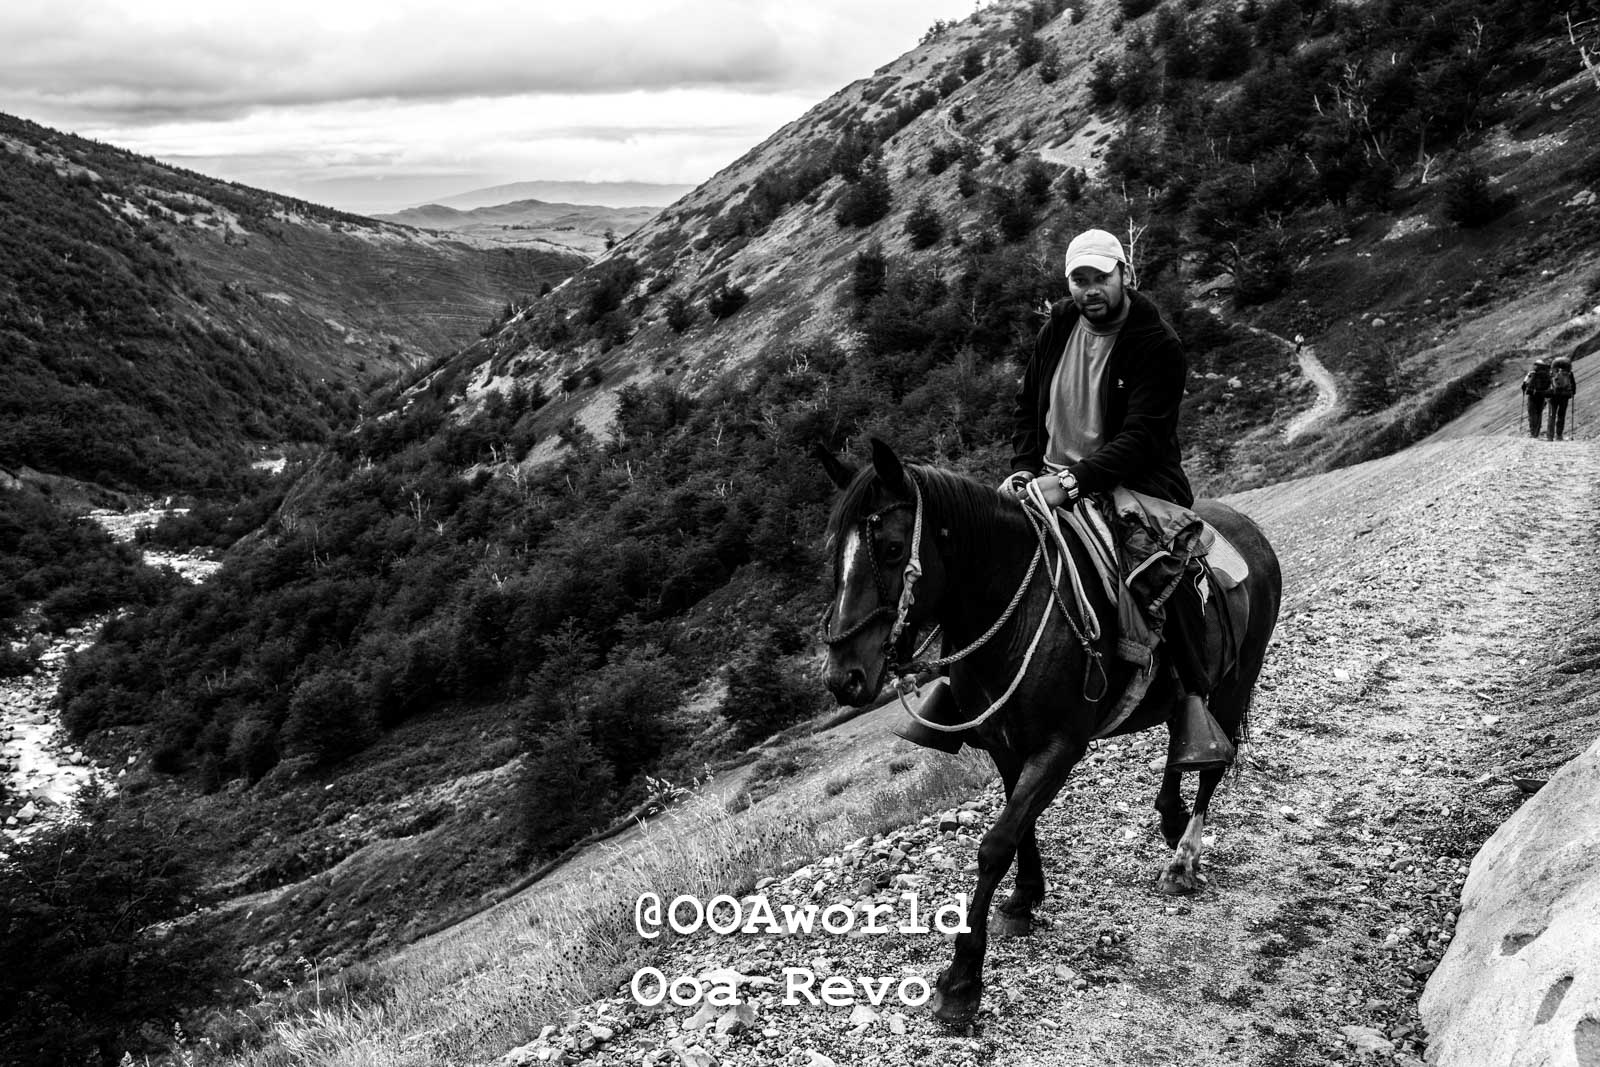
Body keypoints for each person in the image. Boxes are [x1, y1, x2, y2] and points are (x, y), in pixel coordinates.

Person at [1000, 228, 1219, 769]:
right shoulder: (1058, 327)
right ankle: (959, 685)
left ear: (1125, 273)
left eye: (1101, 277)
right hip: (1048, 478)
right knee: (981, 555)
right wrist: (1026, 471)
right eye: (1080, 280)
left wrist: (1075, 483)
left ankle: (1192, 696)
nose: (1090, 290)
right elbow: (1027, 408)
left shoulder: (1156, 343)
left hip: (1134, 481)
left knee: (1163, 572)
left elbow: (1142, 436)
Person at [1546, 355, 1576, 441]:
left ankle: (1550, 436)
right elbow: (1573, 385)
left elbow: (1548, 383)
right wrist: (1572, 393)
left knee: (1551, 415)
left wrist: (1547, 393)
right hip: (1564, 396)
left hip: (1553, 396)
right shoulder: (1569, 373)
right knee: (1561, 415)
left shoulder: (1552, 372)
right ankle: (1559, 435)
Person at [1523, 358, 1552, 438]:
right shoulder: (1547, 374)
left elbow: (1525, 383)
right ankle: (1537, 432)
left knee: (1532, 414)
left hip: (1532, 395)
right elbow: (1550, 384)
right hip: (1542, 396)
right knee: (1539, 413)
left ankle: (1533, 433)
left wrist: (1525, 388)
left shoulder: (1532, 373)